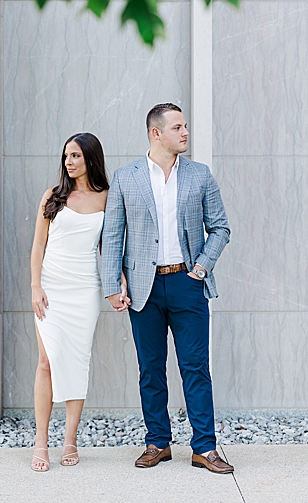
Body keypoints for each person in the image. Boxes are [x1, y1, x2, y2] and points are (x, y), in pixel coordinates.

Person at [101, 103, 233, 473]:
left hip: (187, 283)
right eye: (178, 127)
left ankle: (204, 447)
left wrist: (202, 267)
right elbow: (112, 236)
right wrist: (112, 284)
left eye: (186, 126)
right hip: (143, 289)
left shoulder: (200, 175)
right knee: (150, 370)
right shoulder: (126, 178)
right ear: (156, 133)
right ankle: (157, 442)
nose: (186, 133)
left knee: (195, 367)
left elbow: (221, 227)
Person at [29, 132, 110, 472]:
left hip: (85, 291)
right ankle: (40, 442)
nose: (69, 162)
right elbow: (37, 246)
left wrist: (116, 282)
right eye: (66, 157)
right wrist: (35, 286)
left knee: (78, 361)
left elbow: (111, 247)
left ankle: (71, 440)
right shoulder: (53, 196)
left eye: (75, 156)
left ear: (90, 158)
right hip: (51, 288)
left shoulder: (108, 198)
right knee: (47, 361)